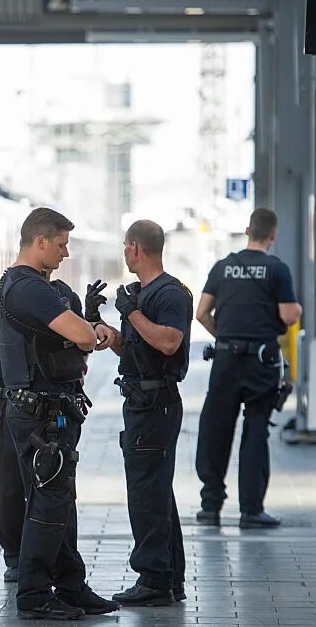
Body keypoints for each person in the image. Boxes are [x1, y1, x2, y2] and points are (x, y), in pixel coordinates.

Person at [0, 207, 118, 621]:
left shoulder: (21, 285)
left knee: (59, 500)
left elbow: (77, 334)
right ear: (40, 241)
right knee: (48, 503)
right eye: (61, 244)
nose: (65, 253)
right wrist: (87, 330)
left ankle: (70, 585)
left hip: (47, 410)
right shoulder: (29, 287)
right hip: (40, 415)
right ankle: (33, 595)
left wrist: (86, 326)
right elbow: (82, 336)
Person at [88, 220, 190, 607]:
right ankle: (168, 578)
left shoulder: (169, 293)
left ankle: (153, 580)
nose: (123, 253)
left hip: (155, 405)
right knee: (156, 491)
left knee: (146, 493)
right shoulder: (143, 294)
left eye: (124, 247)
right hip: (142, 401)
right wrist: (99, 323)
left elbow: (167, 342)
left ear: (135, 248)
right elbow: (131, 351)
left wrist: (130, 312)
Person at [0, 271, 83, 585]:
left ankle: (54, 563)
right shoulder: (1, 299)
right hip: (8, 400)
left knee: (53, 487)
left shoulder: (64, 297)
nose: (65, 253)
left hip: (54, 403)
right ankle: (15, 557)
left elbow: (81, 343)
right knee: (7, 486)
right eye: (60, 244)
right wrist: (14, 344)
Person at [194, 208, 302, 529]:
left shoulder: (223, 267)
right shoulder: (276, 269)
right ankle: (251, 511)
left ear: (247, 231)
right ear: (273, 235)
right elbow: (288, 315)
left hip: (225, 360)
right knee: (255, 432)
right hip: (260, 363)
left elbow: (201, 313)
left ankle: (210, 506)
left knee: (216, 430)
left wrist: (225, 336)